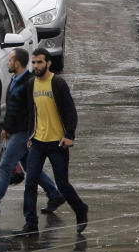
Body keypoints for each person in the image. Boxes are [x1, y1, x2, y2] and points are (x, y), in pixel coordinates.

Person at [0, 48, 65, 216]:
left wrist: (29, 134)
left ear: (18, 63)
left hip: (23, 133)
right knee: (30, 166)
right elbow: (12, 108)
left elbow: (31, 111)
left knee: (5, 166)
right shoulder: (14, 79)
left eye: (10, 60)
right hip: (15, 131)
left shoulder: (29, 83)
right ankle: (54, 194)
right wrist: (6, 127)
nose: (8, 62)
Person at [16, 49, 89, 237]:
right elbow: (32, 113)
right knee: (30, 183)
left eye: (39, 62)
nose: (36, 66)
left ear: (48, 63)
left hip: (58, 143)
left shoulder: (57, 83)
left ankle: (80, 210)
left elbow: (71, 112)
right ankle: (30, 223)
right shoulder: (31, 84)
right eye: (33, 63)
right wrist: (31, 136)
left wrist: (69, 135)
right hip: (38, 143)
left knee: (62, 184)